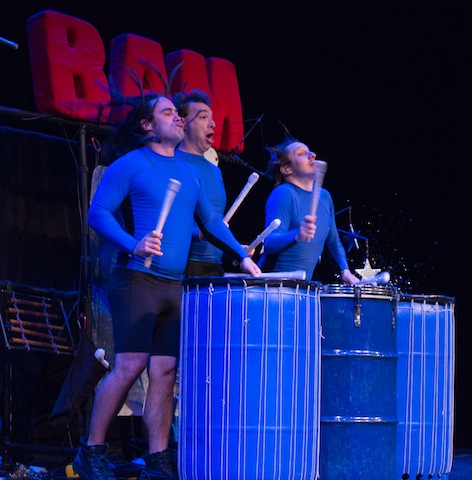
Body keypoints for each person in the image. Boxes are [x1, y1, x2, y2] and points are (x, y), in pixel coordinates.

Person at [72, 93, 261, 480]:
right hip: (137, 279)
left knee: (165, 371)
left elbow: (211, 223)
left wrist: (240, 255)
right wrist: (133, 243)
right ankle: (91, 452)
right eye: (168, 113)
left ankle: (158, 460)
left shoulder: (190, 173)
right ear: (147, 125)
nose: (177, 118)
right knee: (130, 365)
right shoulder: (131, 164)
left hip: (174, 285)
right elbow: (98, 213)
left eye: (178, 113)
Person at [258, 137, 359, 284]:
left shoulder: (324, 197)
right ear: (287, 169)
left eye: (309, 151)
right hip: (271, 287)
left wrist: (345, 270)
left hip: (301, 289)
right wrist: (297, 234)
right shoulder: (284, 193)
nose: (312, 155)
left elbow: (333, 241)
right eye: (301, 153)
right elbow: (269, 243)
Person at [171, 88, 226, 276]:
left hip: (215, 266)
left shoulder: (215, 171)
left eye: (212, 118)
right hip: (185, 265)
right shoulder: (173, 163)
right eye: (203, 118)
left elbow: (215, 221)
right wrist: (197, 234)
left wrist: (236, 249)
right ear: (183, 123)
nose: (213, 124)